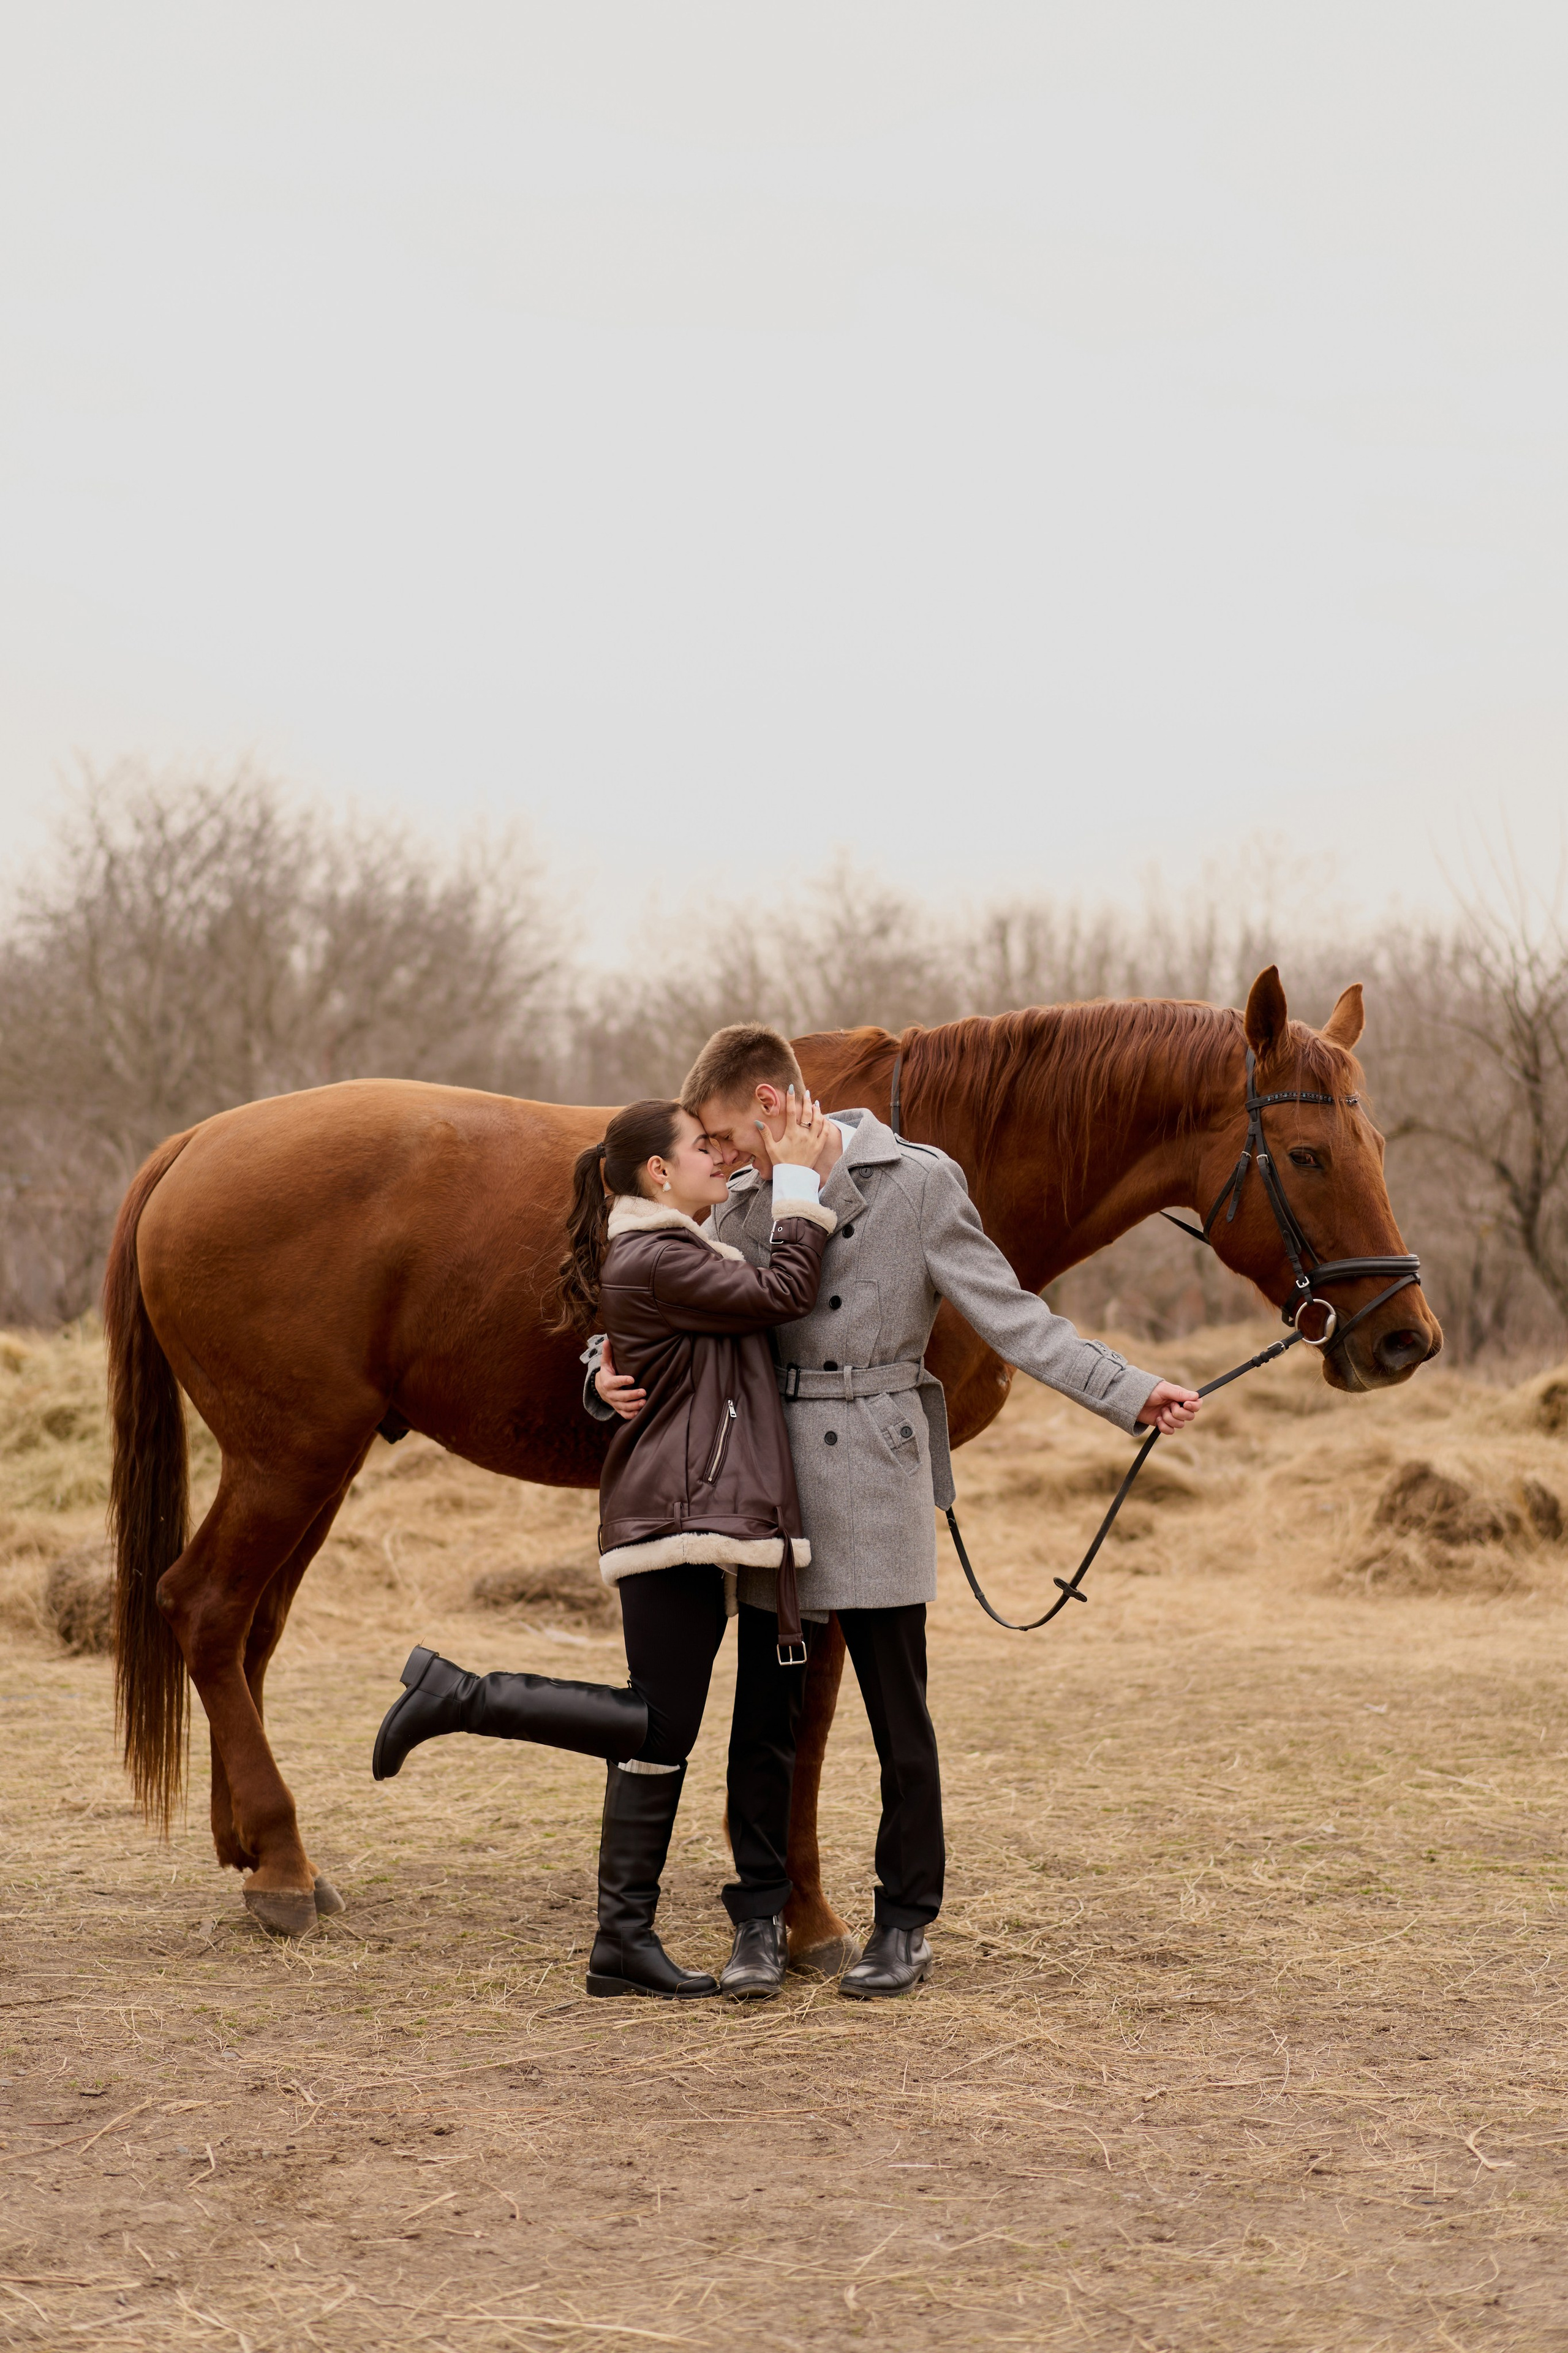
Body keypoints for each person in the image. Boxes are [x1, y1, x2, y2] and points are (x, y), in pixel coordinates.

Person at [589, 1024, 1201, 2000]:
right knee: (766, 1718)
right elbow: (657, 1303)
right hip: (772, 1480)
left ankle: (904, 1921)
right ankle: (758, 1916)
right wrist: (602, 1375)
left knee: (896, 1714)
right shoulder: (743, 1203)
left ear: (771, 1103)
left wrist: (1129, 1388)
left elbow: (1013, 1314)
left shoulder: (916, 1181)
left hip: (877, 1467)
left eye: (721, 1132)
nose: (719, 1155)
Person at [371, 1091, 836, 2001]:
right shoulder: (660, 1251)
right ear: (658, 1172)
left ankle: (622, 1939)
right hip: (676, 1511)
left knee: (657, 1733)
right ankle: (462, 1696)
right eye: (702, 1147)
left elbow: (673, 1340)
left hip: (692, 1506)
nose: (718, 1155)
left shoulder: (667, 1247)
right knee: (659, 1722)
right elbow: (782, 1290)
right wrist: (802, 1192)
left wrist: (603, 1364)